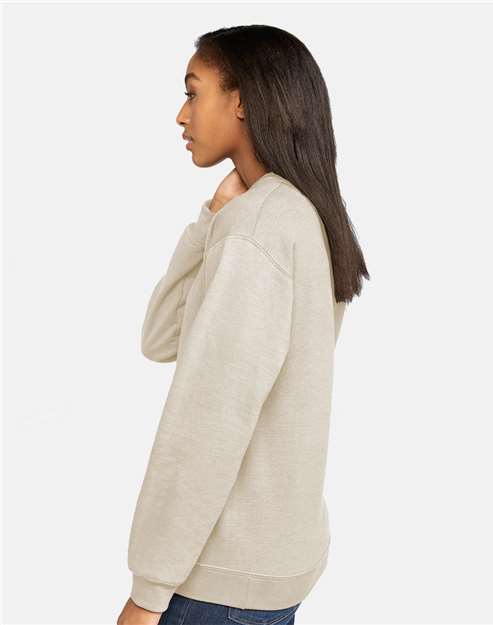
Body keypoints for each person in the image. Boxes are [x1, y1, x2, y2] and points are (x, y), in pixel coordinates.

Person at [117, 24, 369, 625]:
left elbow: (206, 425)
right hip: (272, 567)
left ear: (242, 101)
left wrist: (147, 592)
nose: (181, 115)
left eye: (192, 92)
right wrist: (213, 217)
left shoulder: (258, 233)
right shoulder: (297, 214)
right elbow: (161, 338)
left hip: (218, 584)